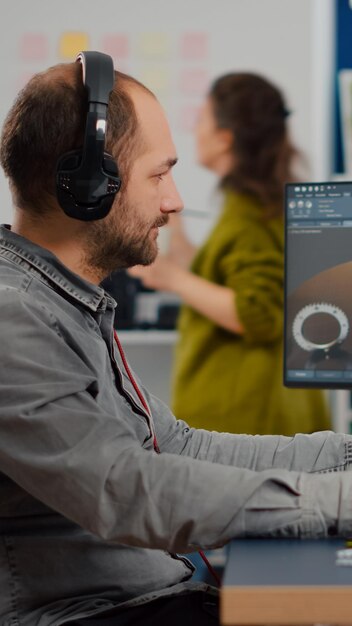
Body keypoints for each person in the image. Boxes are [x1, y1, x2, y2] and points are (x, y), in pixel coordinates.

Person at [0, 52, 351, 626]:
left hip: (151, 594)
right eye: (159, 174)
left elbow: (178, 446)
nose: (175, 199)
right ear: (89, 185)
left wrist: (344, 458)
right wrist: (339, 501)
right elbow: (124, 488)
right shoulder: (12, 316)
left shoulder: (64, 302)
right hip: (95, 613)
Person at [130, 72, 331, 436]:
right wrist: (181, 246)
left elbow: (258, 315)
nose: (195, 129)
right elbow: (228, 277)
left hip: (246, 416)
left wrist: (173, 279)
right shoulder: (254, 205)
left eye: (202, 118)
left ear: (225, 139)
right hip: (253, 410)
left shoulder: (251, 214)